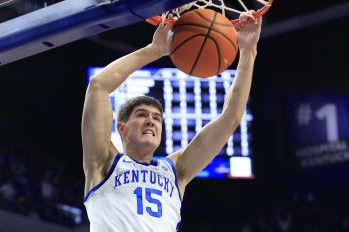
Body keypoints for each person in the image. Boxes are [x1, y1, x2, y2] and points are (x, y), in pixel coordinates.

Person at [82, 12, 262, 232]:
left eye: (157, 118)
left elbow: (231, 118)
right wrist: (154, 50)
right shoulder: (104, 162)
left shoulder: (175, 170)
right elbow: (98, 85)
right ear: (121, 128)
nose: (151, 121)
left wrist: (248, 51)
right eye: (141, 115)